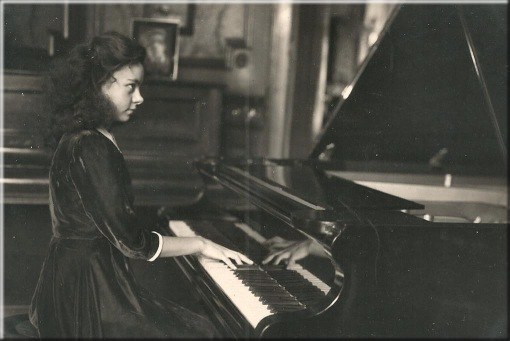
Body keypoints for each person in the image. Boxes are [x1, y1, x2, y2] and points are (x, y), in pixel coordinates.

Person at [29, 31, 252, 338]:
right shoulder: (92, 146)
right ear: (99, 88)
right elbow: (135, 244)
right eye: (131, 87)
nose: (140, 98)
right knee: (204, 333)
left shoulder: (88, 135)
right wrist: (201, 244)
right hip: (88, 295)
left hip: (78, 281)